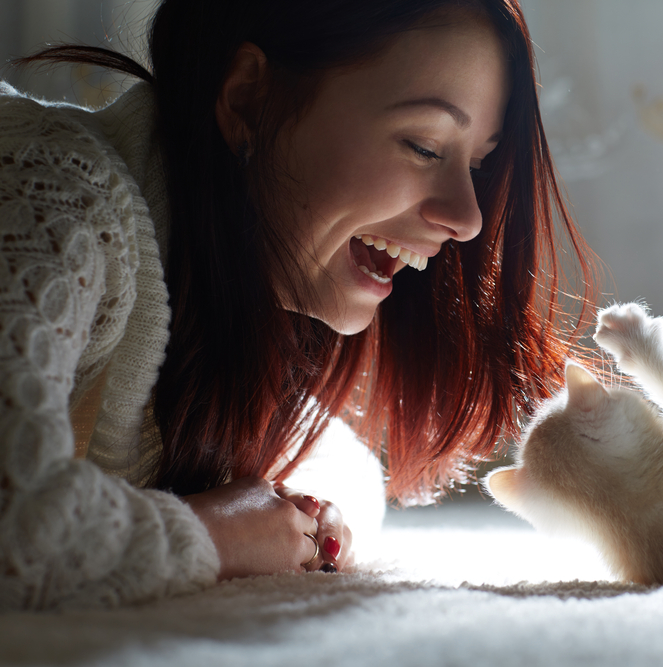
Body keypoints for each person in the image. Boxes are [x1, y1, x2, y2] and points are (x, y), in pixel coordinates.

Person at [0, 0, 598, 610]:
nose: (468, 219)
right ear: (248, 98)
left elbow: (341, 467)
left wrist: (295, 516)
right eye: (423, 145)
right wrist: (213, 535)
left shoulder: (238, 283)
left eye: (475, 162)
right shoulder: (51, 194)